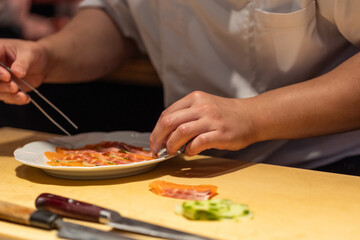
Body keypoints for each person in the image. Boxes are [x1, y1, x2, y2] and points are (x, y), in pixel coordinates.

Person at [0, 0, 360, 172]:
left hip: (323, 163)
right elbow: (119, 16)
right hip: (186, 162)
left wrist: (254, 116)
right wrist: (49, 55)